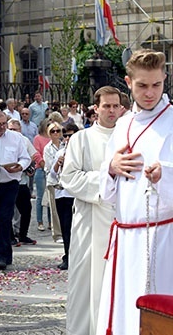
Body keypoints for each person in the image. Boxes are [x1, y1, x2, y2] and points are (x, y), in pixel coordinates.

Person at [97, 50, 173, 335]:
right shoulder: (123, 124)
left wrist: (164, 175)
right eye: (142, 85)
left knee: (157, 316)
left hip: (162, 238)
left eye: (156, 84)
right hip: (125, 237)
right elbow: (107, 191)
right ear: (128, 82)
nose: (150, 93)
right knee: (124, 313)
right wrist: (111, 167)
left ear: (165, 78)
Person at [60, 86, 121, 335]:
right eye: (106, 106)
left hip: (121, 220)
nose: (111, 111)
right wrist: (107, 175)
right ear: (95, 108)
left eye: (116, 105)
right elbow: (69, 178)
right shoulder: (81, 138)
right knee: (86, 283)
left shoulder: (129, 136)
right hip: (90, 218)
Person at [0, 111, 30, 271]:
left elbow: (25, 158)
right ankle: (6, 253)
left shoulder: (16, 138)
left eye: (3, 124)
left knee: (5, 218)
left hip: (10, 183)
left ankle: (2, 257)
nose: (1, 128)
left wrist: (19, 166)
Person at [50, 123, 79, 270]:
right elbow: (52, 174)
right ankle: (67, 256)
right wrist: (58, 164)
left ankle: (77, 257)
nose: (67, 138)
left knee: (77, 228)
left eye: (71, 135)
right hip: (61, 194)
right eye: (65, 135)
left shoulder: (81, 152)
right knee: (65, 227)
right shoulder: (60, 152)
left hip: (74, 194)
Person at [7, 119, 37, 246]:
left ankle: (23, 235)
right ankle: (10, 237)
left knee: (26, 210)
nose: (14, 132)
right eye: (11, 129)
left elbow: (34, 155)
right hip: (8, 181)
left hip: (22, 180)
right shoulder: (5, 140)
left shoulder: (24, 140)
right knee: (8, 211)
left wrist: (29, 166)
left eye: (16, 129)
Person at [43, 122, 64, 242]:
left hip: (64, 180)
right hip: (53, 180)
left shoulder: (64, 145)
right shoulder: (47, 148)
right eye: (53, 131)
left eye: (57, 130)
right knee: (54, 209)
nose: (55, 133)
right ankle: (57, 234)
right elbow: (48, 166)